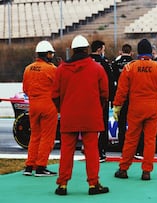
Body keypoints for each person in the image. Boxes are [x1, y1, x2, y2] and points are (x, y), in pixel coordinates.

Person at [52, 35, 109, 195]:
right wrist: (98, 107)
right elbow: (104, 93)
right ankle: (93, 184)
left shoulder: (61, 69)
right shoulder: (97, 68)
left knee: (66, 151)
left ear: (73, 50)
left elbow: (54, 94)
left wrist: (62, 109)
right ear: (87, 50)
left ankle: (62, 184)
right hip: (90, 115)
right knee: (91, 150)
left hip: (69, 115)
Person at [113, 38, 157, 181]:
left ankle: (123, 169)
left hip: (135, 108)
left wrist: (117, 106)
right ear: (151, 52)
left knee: (131, 139)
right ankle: (146, 171)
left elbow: (121, 90)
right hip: (152, 108)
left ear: (138, 52)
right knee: (150, 140)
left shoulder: (129, 67)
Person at [22, 40, 58, 177]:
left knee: (35, 136)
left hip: (33, 105)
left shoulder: (28, 68)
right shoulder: (51, 69)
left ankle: (29, 165)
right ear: (47, 54)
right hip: (48, 105)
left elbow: (25, 89)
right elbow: (58, 88)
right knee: (47, 137)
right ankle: (41, 166)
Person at [90, 40, 115, 162]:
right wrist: (111, 99)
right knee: (102, 125)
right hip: (101, 100)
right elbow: (110, 82)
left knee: (88, 126)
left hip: (86, 100)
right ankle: (101, 152)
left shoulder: (85, 61)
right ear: (99, 49)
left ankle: (88, 149)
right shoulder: (104, 63)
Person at [111, 43, 133, 151]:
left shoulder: (115, 63)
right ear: (131, 52)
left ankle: (121, 146)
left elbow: (112, 80)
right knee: (134, 125)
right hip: (132, 98)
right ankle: (133, 148)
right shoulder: (133, 64)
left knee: (121, 124)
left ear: (121, 51)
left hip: (119, 96)